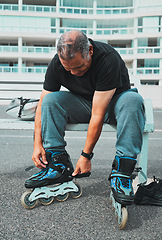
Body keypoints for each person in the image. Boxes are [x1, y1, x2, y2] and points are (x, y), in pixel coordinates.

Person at [26, 30, 145, 205]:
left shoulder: (107, 58)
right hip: (83, 104)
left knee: (132, 100)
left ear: (89, 51)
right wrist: (37, 144)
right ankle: (58, 165)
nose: (73, 73)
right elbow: (42, 104)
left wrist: (86, 156)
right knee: (50, 100)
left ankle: (122, 172)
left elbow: (98, 114)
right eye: (68, 69)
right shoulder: (57, 63)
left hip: (114, 105)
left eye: (79, 67)